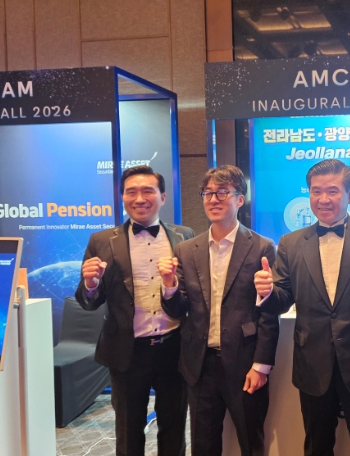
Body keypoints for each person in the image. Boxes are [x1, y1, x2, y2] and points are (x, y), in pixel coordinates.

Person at [254, 159, 350, 456]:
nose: (323, 199)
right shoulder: (290, 242)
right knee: (316, 446)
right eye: (316, 191)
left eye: (333, 191)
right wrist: (267, 292)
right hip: (312, 363)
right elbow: (282, 300)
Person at [158, 165, 278, 456]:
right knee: (203, 445)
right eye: (208, 193)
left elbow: (268, 313)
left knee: (251, 441)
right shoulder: (187, 250)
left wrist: (261, 365)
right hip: (199, 366)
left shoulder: (262, 247)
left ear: (240, 199)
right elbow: (179, 309)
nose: (214, 199)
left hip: (245, 362)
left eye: (223, 192)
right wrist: (169, 285)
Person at [76, 165, 194, 456]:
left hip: (174, 348)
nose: (139, 198)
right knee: (128, 432)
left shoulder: (184, 236)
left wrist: (171, 287)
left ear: (162, 197)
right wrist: (90, 284)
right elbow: (89, 301)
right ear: (122, 197)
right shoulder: (101, 240)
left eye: (148, 191)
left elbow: (188, 299)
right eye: (131, 192)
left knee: (174, 427)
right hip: (127, 351)